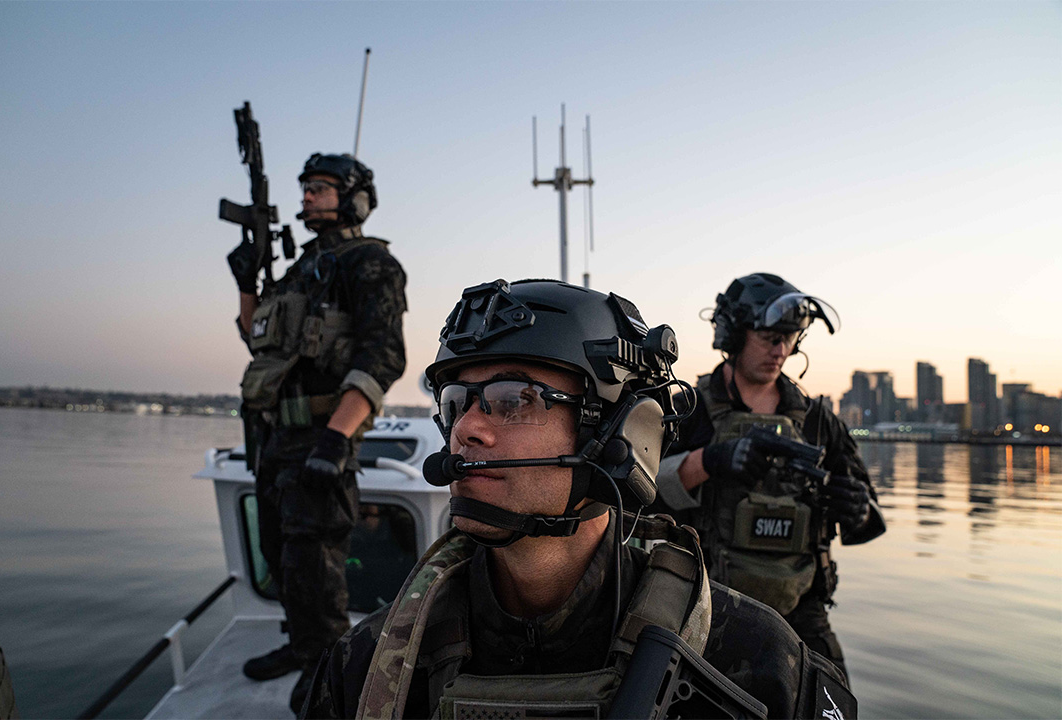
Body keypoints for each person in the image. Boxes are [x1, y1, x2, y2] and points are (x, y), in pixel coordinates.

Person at [301, 278, 856, 720]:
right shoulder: (367, 667)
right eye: (457, 402)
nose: (466, 430)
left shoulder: (758, 664)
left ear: (620, 433)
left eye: (514, 399)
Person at [227, 152, 407, 712]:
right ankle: (301, 644)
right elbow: (257, 339)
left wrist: (337, 438)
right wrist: (247, 280)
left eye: (321, 188)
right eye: (305, 188)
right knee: (278, 552)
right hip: (275, 439)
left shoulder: (368, 263)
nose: (306, 196)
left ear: (352, 198)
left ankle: (328, 671)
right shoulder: (300, 270)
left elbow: (385, 356)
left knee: (315, 563)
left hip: (321, 433)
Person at [651, 272, 885, 680]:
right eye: (769, 337)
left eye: (790, 338)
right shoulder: (687, 410)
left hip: (802, 615)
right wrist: (711, 460)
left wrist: (856, 507)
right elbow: (640, 495)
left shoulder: (818, 423)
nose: (781, 349)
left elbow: (869, 522)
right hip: (704, 607)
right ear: (735, 335)